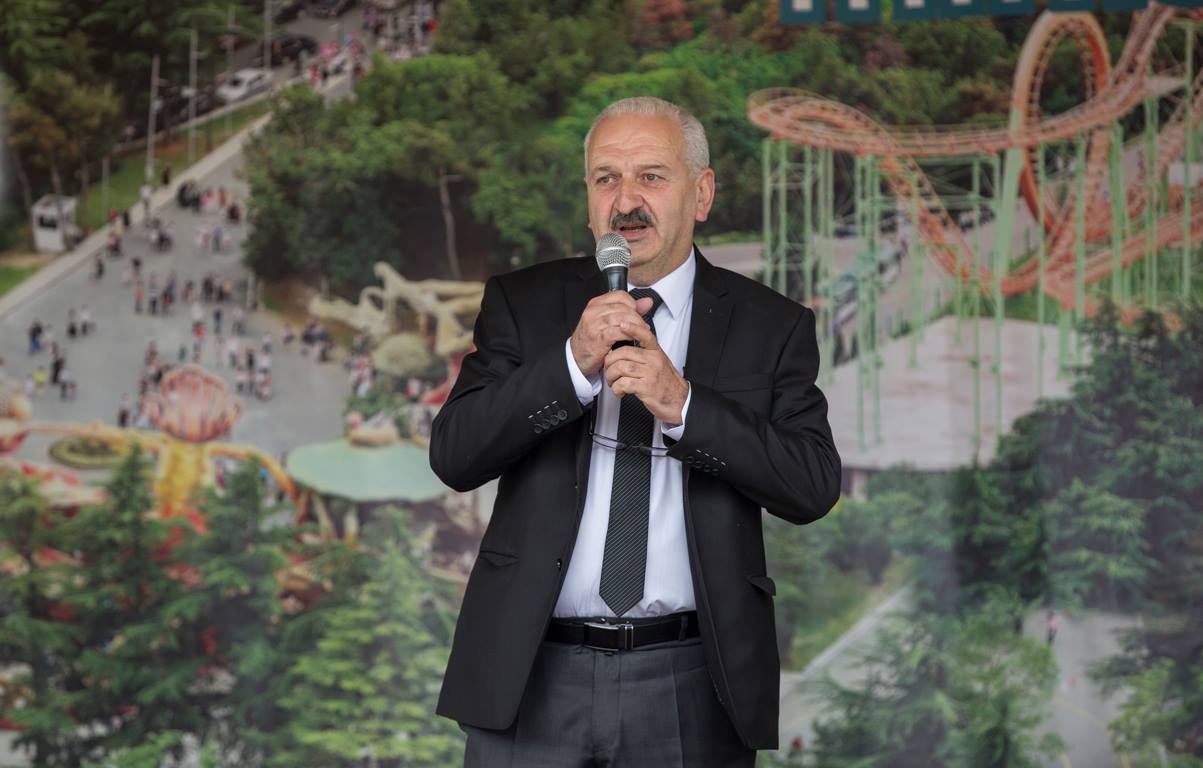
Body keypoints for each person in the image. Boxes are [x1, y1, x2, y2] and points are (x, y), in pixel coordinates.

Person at [430, 97, 841, 766]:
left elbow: (811, 485)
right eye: (606, 178)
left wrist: (684, 405)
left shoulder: (771, 325)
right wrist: (570, 364)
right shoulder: (522, 303)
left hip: (691, 678)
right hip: (529, 671)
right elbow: (455, 455)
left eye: (651, 176)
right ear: (588, 199)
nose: (626, 201)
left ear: (701, 194)